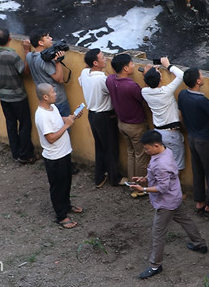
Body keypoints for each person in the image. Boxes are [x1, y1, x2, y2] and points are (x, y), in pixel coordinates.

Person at [129, 130, 208, 280]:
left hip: (165, 203)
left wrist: (143, 189)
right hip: (174, 196)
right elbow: (160, 177)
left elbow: (162, 187)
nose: (145, 151)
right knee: (185, 220)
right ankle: (200, 244)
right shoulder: (166, 152)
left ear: (156, 145)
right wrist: (145, 178)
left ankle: (155, 265)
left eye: (147, 148)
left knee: (158, 234)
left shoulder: (161, 164)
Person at [34, 82, 84, 228]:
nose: (55, 94)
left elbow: (58, 120)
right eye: (52, 92)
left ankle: (66, 206)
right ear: (45, 97)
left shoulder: (51, 107)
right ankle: (61, 216)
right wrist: (68, 125)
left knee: (66, 182)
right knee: (58, 187)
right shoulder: (42, 116)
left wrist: (71, 117)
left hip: (64, 153)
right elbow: (50, 138)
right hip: (54, 158)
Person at [177, 67, 209, 216]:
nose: (203, 76)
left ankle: (200, 201)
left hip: (192, 136)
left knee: (197, 170)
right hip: (205, 140)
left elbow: (181, 117)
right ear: (198, 81)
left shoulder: (183, 95)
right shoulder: (201, 100)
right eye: (201, 75)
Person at [0, 27, 35, 164]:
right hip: (18, 96)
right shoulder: (12, 56)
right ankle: (25, 155)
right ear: (10, 39)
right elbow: (25, 71)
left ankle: (16, 153)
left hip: (2, 95)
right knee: (25, 125)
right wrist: (26, 51)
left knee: (11, 124)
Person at [77, 49, 122, 188]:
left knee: (100, 146)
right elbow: (115, 92)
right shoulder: (103, 79)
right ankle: (115, 178)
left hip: (92, 114)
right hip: (104, 116)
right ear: (95, 63)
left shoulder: (85, 74)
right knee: (111, 148)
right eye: (102, 57)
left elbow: (84, 72)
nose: (106, 59)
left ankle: (99, 177)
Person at [106, 53, 150, 195]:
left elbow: (111, 75)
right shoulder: (131, 86)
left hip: (122, 123)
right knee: (141, 156)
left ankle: (132, 183)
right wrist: (147, 77)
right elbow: (144, 97)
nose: (134, 65)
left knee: (131, 154)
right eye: (132, 64)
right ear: (125, 68)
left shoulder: (110, 80)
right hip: (136, 125)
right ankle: (140, 187)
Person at [140, 57, 186, 170]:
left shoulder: (144, 92)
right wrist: (168, 65)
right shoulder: (166, 91)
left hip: (158, 133)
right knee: (177, 166)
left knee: (164, 164)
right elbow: (181, 75)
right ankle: (174, 186)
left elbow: (148, 85)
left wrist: (148, 74)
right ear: (160, 79)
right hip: (171, 133)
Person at [26, 30, 70, 117]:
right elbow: (59, 79)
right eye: (47, 37)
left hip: (44, 100)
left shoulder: (29, 56)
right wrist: (58, 62)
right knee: (63, 128)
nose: (51, 38)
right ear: (40, 42)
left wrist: (26, 49)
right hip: (57, 100)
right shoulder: (45, 60)